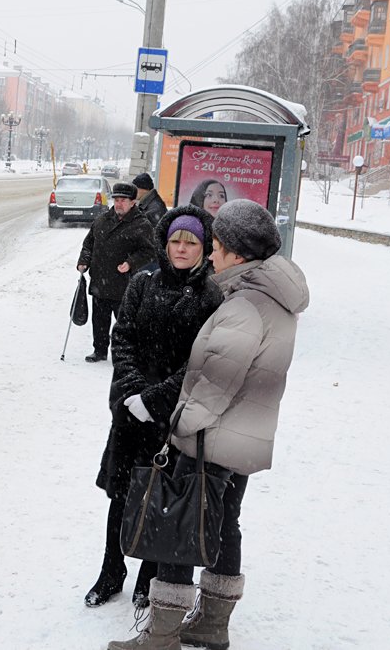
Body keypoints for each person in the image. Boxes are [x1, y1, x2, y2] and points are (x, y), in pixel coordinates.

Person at [108, 199, 310, 650]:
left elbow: (214, 384)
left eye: (216, 246)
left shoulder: (244, 306)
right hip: (244, 436)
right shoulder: (269, 298)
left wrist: (174, 424)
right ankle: (212, 625)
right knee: (222, 524)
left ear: (237, 252)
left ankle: (161, 636)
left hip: (211, 440)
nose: (211, 255)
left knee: (181, 526)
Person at [88, 206, 223, 610]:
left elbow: (202, 361)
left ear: (204, 247)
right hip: (131, 413)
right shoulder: (143, 283)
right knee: (122, 495)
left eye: (192, 241)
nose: (182, 248)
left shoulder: (211, 295)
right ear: (166, 243)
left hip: (174, 417)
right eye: (176, 240)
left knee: (162, 498)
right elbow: (123, 337)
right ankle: (111, 571)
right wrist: (132, 392)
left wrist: (157, 399)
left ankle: (150, 576)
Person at [76, 182, 157, 363]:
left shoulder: (141, 224)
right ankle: (99, 350)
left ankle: (124, 354)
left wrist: (130, 263)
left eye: (123, 200)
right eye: (116, 199)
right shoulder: (102, 220)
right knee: (99, 320)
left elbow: (149, 251)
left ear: (132, 202)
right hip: (99, 280)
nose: (119, 204)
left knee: (125, 323)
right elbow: (88, 244)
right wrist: (83, 261)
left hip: (124, 283)